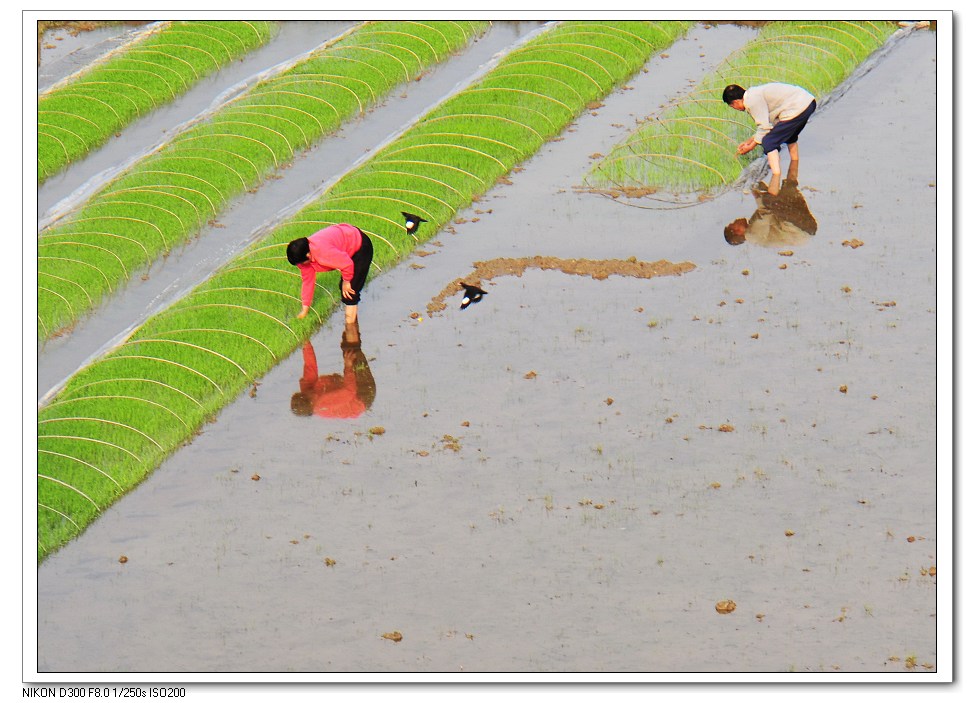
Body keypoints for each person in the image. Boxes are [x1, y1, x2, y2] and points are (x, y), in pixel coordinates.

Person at [722, 82, 816, 179]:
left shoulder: (752, 101)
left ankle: (776, 177)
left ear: (736, 102)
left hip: (797, 108)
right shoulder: (753, 94)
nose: (735, 109)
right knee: (789, 136)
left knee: (768, 142)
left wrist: (750, 147)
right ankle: (794, 165)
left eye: (732, 106)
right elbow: (767, 126)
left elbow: (764, 128)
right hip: (808, 103)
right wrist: (749, 141)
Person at [286, 223, 373, 324]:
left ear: (308, 255)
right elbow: (307, 282)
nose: (300, 266)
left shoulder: (322, 251)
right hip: (346, 243)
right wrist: (304, 310)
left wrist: (346, 281)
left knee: (349, 292)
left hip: (360, 246)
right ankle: (352, 323)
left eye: (301, 263)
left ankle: (351, 332)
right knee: (344, 288)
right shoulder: (304, 258)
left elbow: (347, 264)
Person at [290, 321, 377, 419]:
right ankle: (351, 313)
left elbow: (310, 366)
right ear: (312, 404)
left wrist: (306, 344)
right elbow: (349, 391)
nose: (313, 395)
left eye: (306, 393)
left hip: (347, 388)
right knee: (353, 350)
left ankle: (350, 313)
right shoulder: (324, 403)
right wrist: (348, 366)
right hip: (362, 396)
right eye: (312, 398)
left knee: (348, 346)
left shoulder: (307, 389)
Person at [723, 159, 817, 247]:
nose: (735, 220)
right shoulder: (752, 235)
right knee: (770, 199)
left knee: (789, 186)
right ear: (737, 231)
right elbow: (766, 212)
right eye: (733, 223)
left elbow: (764, 205)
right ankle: (777, 165)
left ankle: (792, 158)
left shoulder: (753, 231)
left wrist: (756, 188)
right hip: (800, 227)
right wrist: (754, 187)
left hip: (807, 229)